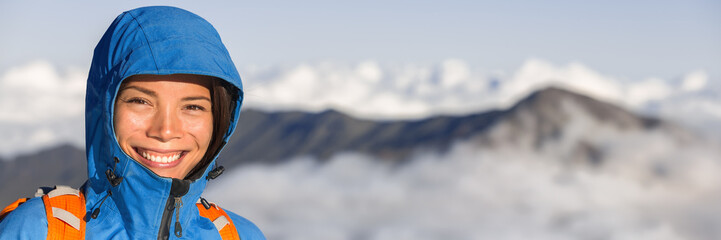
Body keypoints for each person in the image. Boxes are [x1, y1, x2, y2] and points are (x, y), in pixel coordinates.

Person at [0, 6, 265, 239]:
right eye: (141, 101)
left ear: (219, 121)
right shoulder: (36, 231)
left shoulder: (240, 236)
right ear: (105, 110)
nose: (166, 130)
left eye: (193, 107)